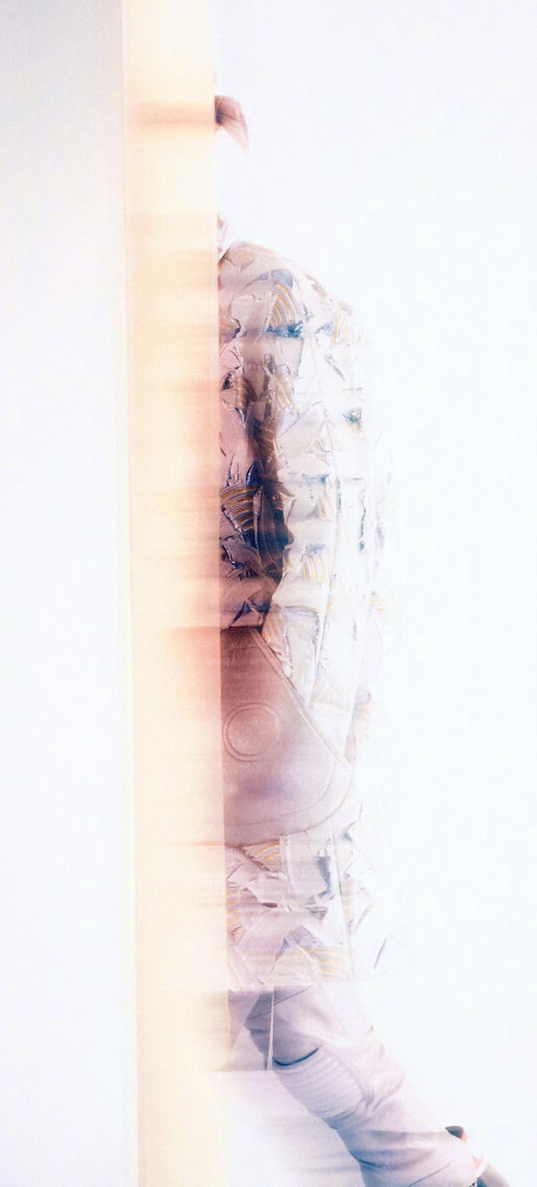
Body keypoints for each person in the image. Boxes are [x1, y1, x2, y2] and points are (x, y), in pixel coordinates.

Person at [216, 95, 506, 1187]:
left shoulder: (271, 298)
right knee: (255, 1010)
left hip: (251, 725)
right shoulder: (117, 302)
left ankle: (440, 1173)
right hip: (159, 722)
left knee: (289, 1011)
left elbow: (337, 541)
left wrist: (277, 721)